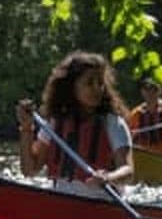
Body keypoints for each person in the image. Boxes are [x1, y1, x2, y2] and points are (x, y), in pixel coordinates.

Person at [15, 50, 134, 198]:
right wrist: (26, 129)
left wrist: (109, 177)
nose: (97, 88)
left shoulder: (113, 123)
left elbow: (128, 171)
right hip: (63, 202)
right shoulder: (55, 122)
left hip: (103, 203)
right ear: (72, 87)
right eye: (89, 83)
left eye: (100, 83)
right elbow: (29, 170)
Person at [128, 77, 162, 156]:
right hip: (144, 155)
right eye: (146, 90)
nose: (150, 93)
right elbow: (129, 137)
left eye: (153, 90)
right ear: (142, 92)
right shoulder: (136, 113)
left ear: (159, 91)